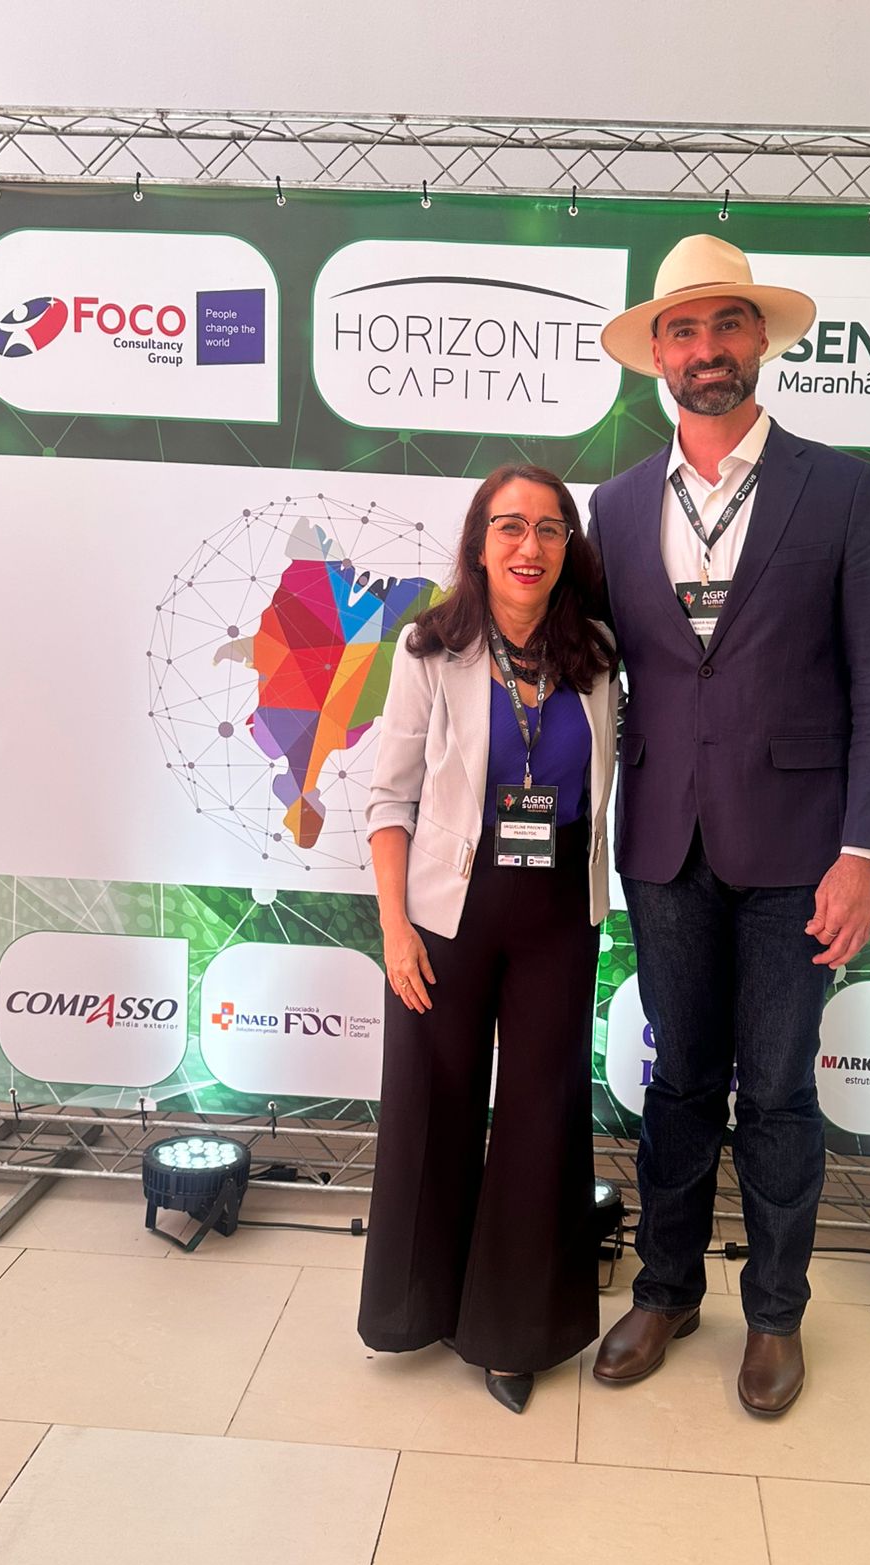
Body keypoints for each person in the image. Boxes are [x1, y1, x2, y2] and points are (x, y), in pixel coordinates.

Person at [588, 235, 870, 1414]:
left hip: (800, 849)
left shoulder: (840, 488)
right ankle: (666, 1290)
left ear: (760, 339)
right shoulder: (616, 504)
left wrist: (862, 852)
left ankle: (775, 1314)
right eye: (682, 329)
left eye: (727, 323)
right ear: (657, 356)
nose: (706, 347)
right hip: (664, 843)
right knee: (679, 1080)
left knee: (775, 1089)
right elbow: (588, 667)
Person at [357, 463, 619, 1415]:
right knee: (434, 1103)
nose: (529, 546)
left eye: (549, 529)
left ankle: (514, 1335)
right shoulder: (431, 648)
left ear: (567, 548)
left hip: (558, 911)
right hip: (446, 914)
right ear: (478, 542)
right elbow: (388, 800)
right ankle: (419, 1306)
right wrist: (395, 931)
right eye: (510, 526)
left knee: (542, 1118)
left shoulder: (596, 652)